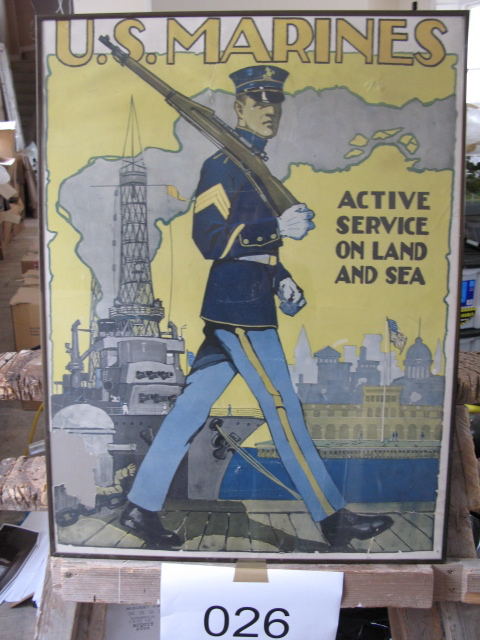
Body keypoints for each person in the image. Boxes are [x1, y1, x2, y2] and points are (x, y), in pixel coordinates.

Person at [120, 65, 393, 549]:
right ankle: (332, 518)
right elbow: (210, 239)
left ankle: (139, 507)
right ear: (239, 108)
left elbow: (253, 248)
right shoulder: (223, 166)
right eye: (258, 102)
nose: (270, 111)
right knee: (283, 407)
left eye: (275, 102)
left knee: (189, 411)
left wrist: (280, 277)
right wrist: (277, 230)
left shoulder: (253, 165)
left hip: (246, 299)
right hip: (239, 308)